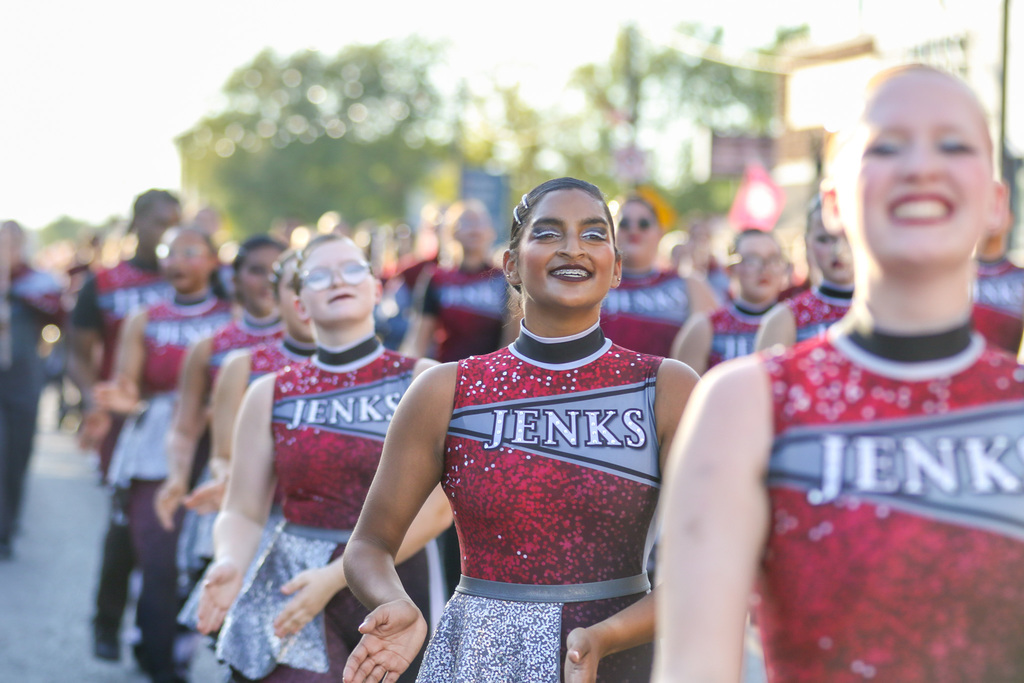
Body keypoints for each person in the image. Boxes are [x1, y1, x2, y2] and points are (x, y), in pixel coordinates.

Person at [654, 65, 1024, 682]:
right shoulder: (747, 405)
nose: (921, 166)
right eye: (886, 145)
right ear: (832, 202)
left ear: (995, 203)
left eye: (953, 144)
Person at [343, 177, 698, 683]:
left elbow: (705, 568)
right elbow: (369, 546)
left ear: (616, 266)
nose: (573, 247)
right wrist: (395, 603)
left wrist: (605, 637)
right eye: (548, 233)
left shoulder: (666, 387)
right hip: (476, 662)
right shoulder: (446, 390)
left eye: (595, 234)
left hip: (619, 662)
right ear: (510, 264)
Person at [195, 235, 451, 682]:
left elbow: (437, 511)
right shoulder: (270, 392)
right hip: (292, 582)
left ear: (376, 289)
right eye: (318, 275)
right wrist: (229, 560)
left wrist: (335, 577)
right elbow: (242, 509)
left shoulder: (425, 380)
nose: (337, 280)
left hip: (394, 582)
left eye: (352, 269)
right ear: (300, 303)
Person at [97, 227, 233, 683]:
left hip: (220, 438)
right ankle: (158, 657)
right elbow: (128, 384)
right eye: (169, 252)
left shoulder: (231, 318)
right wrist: (113, 400)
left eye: (190, 251)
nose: (177, 260)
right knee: (158, 549)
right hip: (158, 437)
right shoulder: (144, 317)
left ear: (214, 259)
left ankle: (178, 646)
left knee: (206, 554)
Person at [71, 189, 180, 662]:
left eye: (176, 224)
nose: (167, 234)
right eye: (160, 222)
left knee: (171, 528)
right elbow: (78, 350)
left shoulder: (195, 279)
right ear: (138, 223)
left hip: (185, 422)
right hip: (126, 423)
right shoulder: (106, 282)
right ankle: (106, 621)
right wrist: (96, 399)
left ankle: (154, 635)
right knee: (124, 526)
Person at [154, 236, 286, 534]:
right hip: (229, 487)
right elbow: (184, 429)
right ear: (235, 279)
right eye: (257, 270)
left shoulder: (320, 348)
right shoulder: (210, 347)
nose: (269, 281)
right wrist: (177, 477)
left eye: (278, 273)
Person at [0, 221, 63, 559]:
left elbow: (58, 313)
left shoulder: (36, 281)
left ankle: (8, 526)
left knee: (18, 452)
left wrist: (16, 293)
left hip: (23, 377)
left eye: (12, 242)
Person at [599, 196, 717, 357]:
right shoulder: (594, 283)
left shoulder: (689, 284)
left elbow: (716, 344)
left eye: (644, 224)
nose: (634, 230)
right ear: (610, 232)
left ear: (660, 232)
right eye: (624, 224)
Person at [401, 199, 511, 363]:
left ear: (491, 232)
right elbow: (418, 340)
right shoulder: (437, 278)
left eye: (480, 222)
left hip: (493, 378)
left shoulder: (505, 279)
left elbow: (512, 341)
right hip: (448, 376)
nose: (475, 229)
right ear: (451, 232)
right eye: (466, 222)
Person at [671, 229, 786, 374]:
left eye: (773, 259)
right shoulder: (705, 328)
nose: (764, 269)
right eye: (751, 260)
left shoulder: (798, 322)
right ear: (730, 269)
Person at [754, 196, 854, 350]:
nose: (838, 250)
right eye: (824, 239)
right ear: (807, 243)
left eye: (848, 235)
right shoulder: (784, 320)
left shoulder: (895, 311)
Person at [970, 207, 1024, 354]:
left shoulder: (1020, 278)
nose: (992, 217)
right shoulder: (951, 278)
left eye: (998, 208)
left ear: (1010, 219)